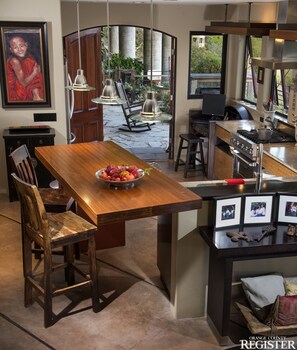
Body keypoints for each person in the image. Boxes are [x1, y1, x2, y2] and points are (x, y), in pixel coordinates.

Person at [6, 35, 44, 102]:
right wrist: (34, 73)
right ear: (11, 50)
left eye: (21, 46)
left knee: (30, 62)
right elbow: (23, 83)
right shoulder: (14, 61)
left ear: (26, 45)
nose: (19, 49)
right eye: (15, 47)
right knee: (30, 64)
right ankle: (36, 96)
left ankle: (36, 95)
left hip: (25, 88)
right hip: (14, 93)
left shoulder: (28, 56)